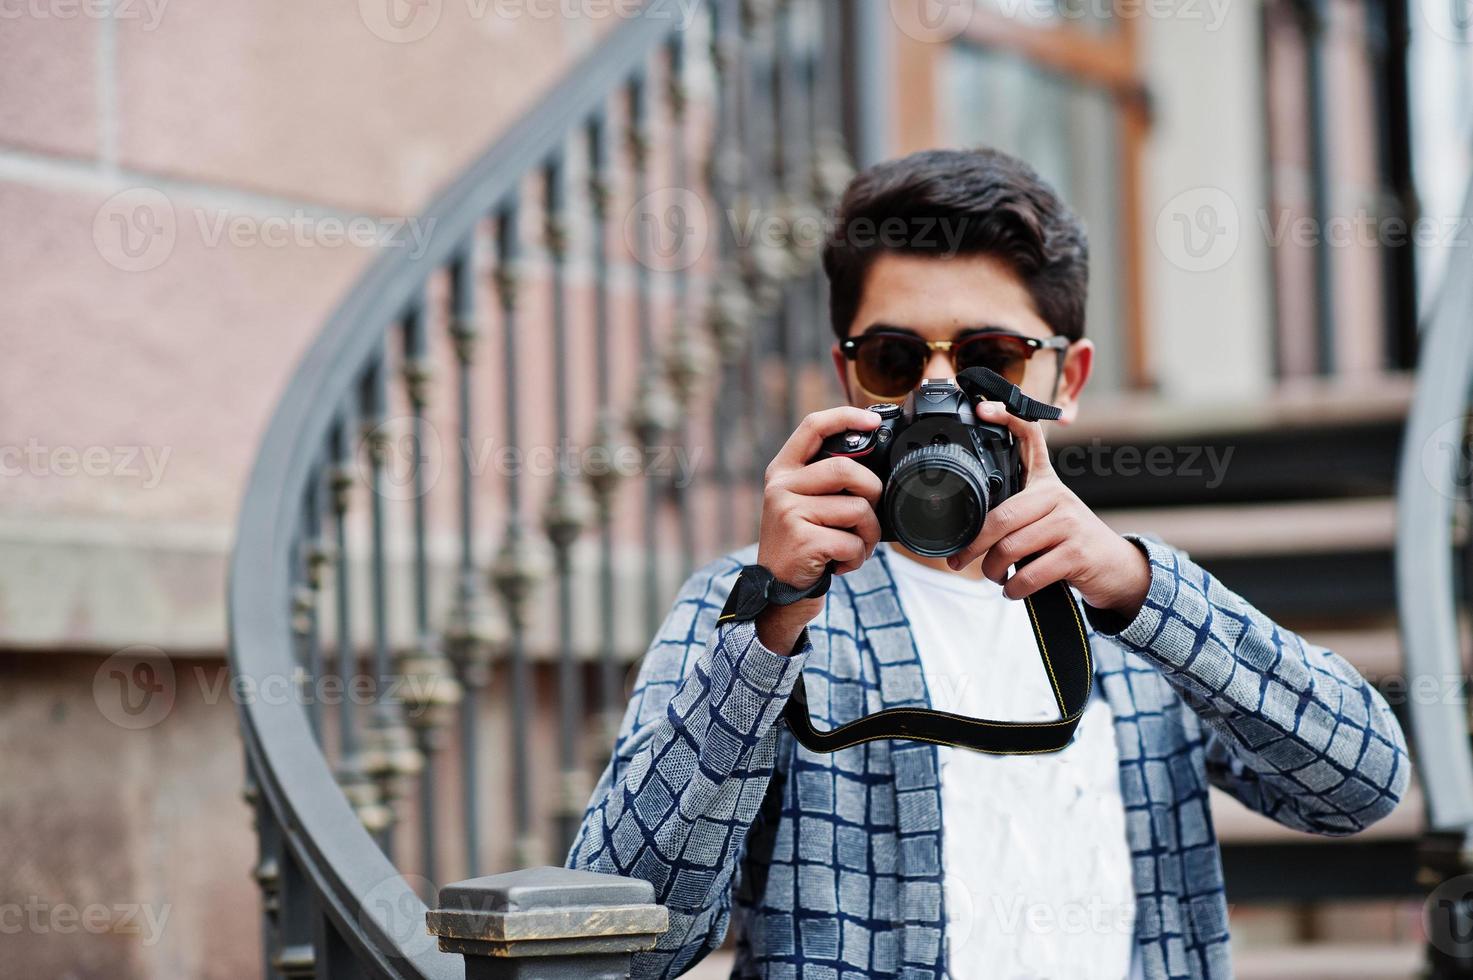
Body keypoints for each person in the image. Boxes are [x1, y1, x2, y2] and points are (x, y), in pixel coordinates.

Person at [566, 147, 1411, 979]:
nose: (940, 394)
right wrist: (769, 629)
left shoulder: (1136, 611)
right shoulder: (750, 600)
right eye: (894, 360)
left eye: (990, 360)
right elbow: (625, 939)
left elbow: (1360, 784)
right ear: (848, 376)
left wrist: (1141, 591)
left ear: (1065, 378)